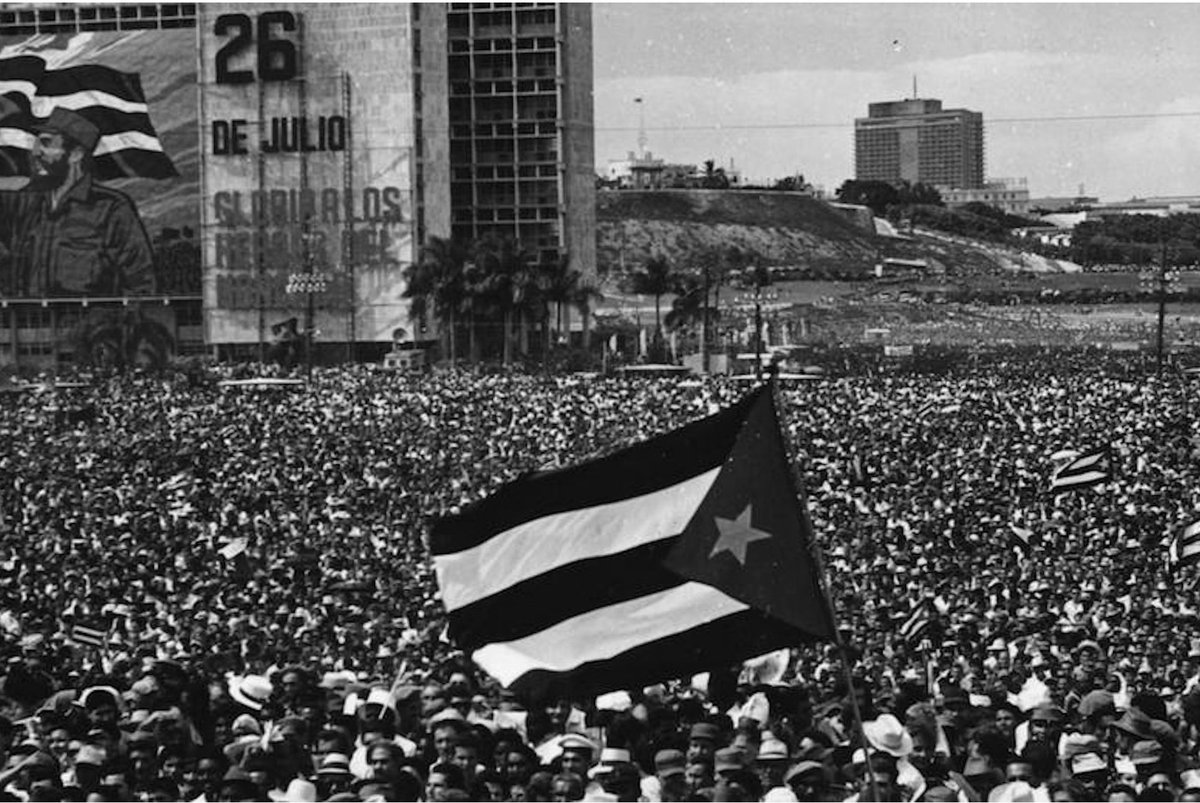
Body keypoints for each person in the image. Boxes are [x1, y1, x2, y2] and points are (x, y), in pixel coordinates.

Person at [0, 107, 154, 297]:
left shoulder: (111, 207)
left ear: (76, 154)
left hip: (88, 323)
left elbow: (141, 283)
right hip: (25, 323)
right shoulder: (22, 202)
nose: (35, 152)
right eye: (36, 144)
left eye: (46, 144)